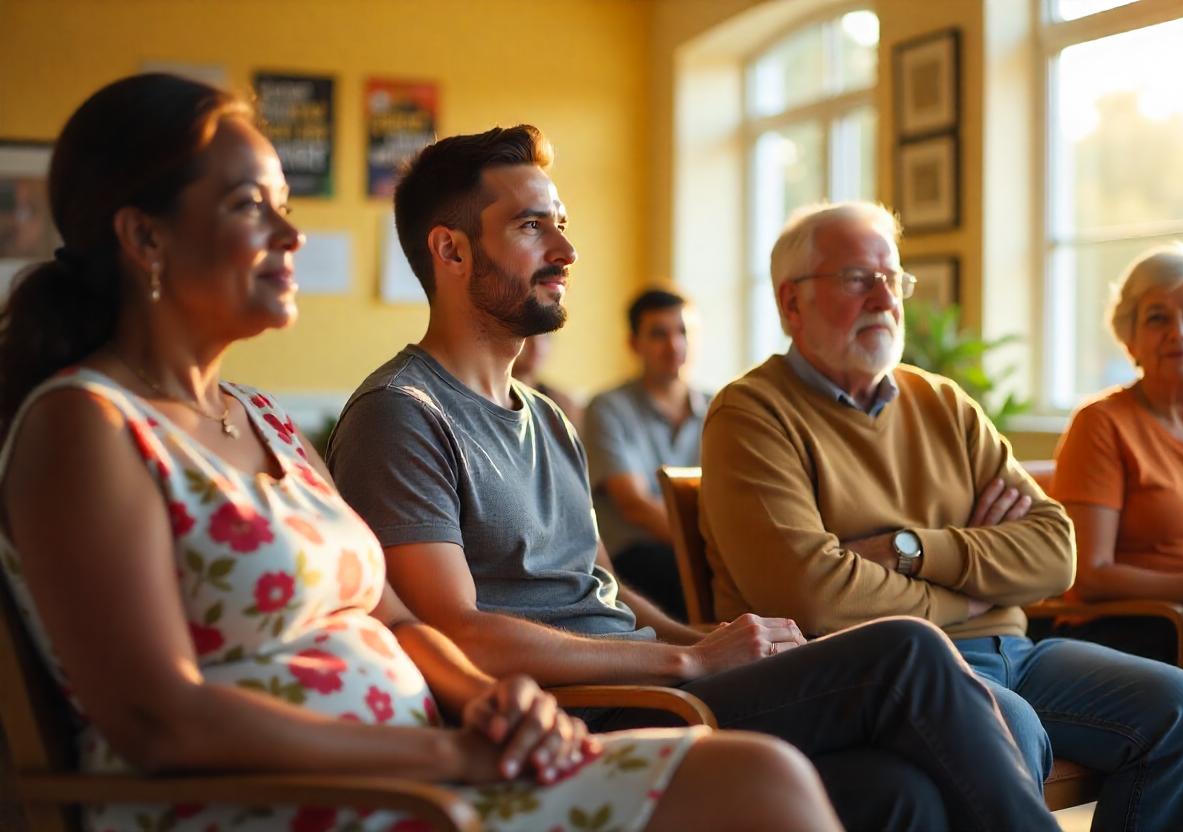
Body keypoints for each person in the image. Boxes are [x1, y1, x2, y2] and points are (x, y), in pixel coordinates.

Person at [0, 74, 843, 832]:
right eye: (251, 206)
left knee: (765, 776)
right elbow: (159, 721)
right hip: (276, 799)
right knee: (768, 777)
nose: (291, 235)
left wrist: (494, 706)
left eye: (286, 204)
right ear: (145, 239)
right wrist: (447, 755)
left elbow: (401, 623)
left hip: (417, 774)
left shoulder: (260, 418)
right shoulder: (85, 427)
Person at [327, 123, 1064, 832]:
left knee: (902, 795)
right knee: (906, 652)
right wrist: (687, 659)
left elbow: (602, 590)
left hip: (646, 685)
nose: (567, 250)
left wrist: (717, 639)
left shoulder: (547, 418)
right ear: (451, 251)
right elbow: (454, 632)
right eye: (531, 227)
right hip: (578, 716)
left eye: (562, 224)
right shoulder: (401, 414)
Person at [699, 200, 1183, 832]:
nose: (884, 299)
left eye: (893, 279)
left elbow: (1057, 551)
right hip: (878, 674)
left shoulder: (941, 400)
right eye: (857, 279)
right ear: (792, 302)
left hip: (1014, 650)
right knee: (1008, 726)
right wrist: (972, 593)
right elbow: (814, 595)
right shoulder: (751, 415)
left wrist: (911, 550)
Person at [1052, 243, 1183, 688]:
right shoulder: (1101, 423)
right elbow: (1090, 575)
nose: (1180, 332)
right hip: (1130, 625)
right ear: (1130, 340)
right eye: (1158, 318)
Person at [583, 288, 708, 618]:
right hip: (634, 558)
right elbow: (635, 505)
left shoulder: (719, 408)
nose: (674, 345)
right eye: (659, 334)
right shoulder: (608, 408)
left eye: (683, 332)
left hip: (704, 551)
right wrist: (710, 550)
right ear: (633, 343)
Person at [510, 332, 584, 431]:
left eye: (544, 337)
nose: (537, 346)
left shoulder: (564, 404)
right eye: (527, 337)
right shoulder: (496, 400)